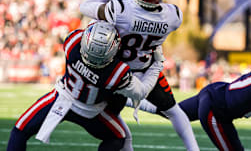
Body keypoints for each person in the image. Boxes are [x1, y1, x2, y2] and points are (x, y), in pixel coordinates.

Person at [79, 0, 199, 151]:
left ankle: (129, 103)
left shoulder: (120, 9)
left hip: (118, 73)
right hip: (146, 70)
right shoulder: (173, 16)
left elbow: (85, 6)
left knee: (116, 124)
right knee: (174, 111)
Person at [7, 21, 164, 151]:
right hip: (91, 112)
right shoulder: (117, 72)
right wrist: (157, 64)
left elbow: (92, 21)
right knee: (118, 138)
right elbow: (141, 92)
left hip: (62, 97)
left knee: (19, 131)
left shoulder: (72, 42)